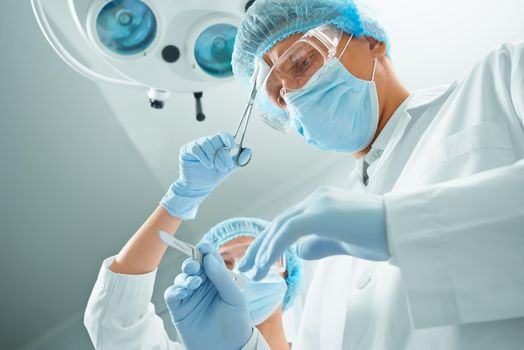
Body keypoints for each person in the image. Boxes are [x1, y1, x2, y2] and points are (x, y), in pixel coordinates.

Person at [162, 0, 524, 349]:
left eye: (302, 62)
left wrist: (396, 226)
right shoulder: (329, 260)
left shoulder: (501, 77)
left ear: (371, 40)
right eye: (280, 98)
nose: (294, 94)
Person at [83, 132, 304, 349]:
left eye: (256, 256)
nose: (240, 268)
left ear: (287, 272)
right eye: (224, 264)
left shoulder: (329, 335)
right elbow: (117, 326)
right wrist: (180, 200)